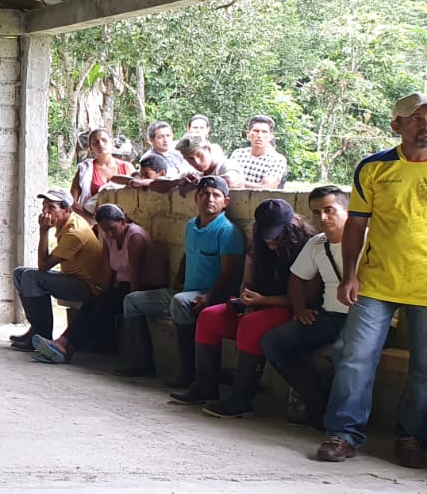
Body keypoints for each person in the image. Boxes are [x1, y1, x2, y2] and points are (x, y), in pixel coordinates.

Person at [316, 92, 427, 466]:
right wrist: (348, 275)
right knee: (355, 358)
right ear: (396, 125)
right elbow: (356, 225)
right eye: (416, 118)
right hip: (376, 282)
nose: (426, 124)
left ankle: (411, 437)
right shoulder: (374, 168)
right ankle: (344, 434)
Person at [176, 200, 307, 414]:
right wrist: (246, 298)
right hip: (258, 302)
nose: (269, 239)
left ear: (290, 228)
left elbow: (303, 298)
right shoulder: (257, 245)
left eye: (275, 234)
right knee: (209, 317)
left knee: (251, 325)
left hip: (288, 306)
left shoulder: (304, 248)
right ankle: (205, 385)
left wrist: (261, 302)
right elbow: (247, 282)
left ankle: (242, 399)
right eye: (265, 234)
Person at [113, 176, 246, 384]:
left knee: (180, 302)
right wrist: (178, 277)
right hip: (185, 292)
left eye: (216, 195)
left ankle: (187, 371)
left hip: (211, 296)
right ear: (196, 198)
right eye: (204, 194)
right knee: (132, 301)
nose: (210, 199)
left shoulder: (227, 231)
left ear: (225, 202)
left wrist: (209, 297)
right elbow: (188, 253)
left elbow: (231, 273)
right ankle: (142, 362)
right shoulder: (192, 225)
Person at [261, 186, 351, 430]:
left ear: (347, 210)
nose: (323, 217)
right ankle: (316, 402)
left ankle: (341, 426)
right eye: (317, 212)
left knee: (343, 355)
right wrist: (299, 308)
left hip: (362, 318)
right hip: (329, 317)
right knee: (273, 342)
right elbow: (297, 277)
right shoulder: (317, 244)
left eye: (329, 210)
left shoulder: (367, 240)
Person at [33, 203, 167, 364]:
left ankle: (67, 346)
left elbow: (134, 275)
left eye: (112, 229)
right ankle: (64, 345)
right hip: (123, 286)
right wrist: (102, 292)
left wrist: (126, 301)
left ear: (123, 222)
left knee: (102, 308)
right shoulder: (109, 238)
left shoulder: (135, 237)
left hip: (144, 286)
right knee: (92, 303)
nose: (109, 233)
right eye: (105, 230)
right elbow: (109, 270)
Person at [9, 189, 109, 351]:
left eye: (51, 208)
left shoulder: (74, 232)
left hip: (88, 287)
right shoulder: (66, 222)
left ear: (67, 210)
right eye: (44, 206)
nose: (45, 212)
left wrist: (43, 231)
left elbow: (44, 266)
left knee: (31, 277)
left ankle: (42, 334)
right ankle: (35, 329)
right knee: (20, 273)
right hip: (74, 278)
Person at [70, 128, 132, 219]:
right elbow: (71, 201)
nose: (100, 144)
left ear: (112, 142)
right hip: (91, 223)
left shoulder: (127, 168)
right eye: (95, 142)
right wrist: (93, 218)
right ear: (91, 148)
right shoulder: (85, 169)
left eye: (104, 140)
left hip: (123, 223)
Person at [228, 115, 288, 189]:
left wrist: (239, 183)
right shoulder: (238, 154)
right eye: (256, 131)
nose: (259, 135)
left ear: (271, 136)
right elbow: (229, 180)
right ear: (248, 134)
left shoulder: (277, 160)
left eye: (264, 132)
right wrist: (259, 185)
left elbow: (268, 188)